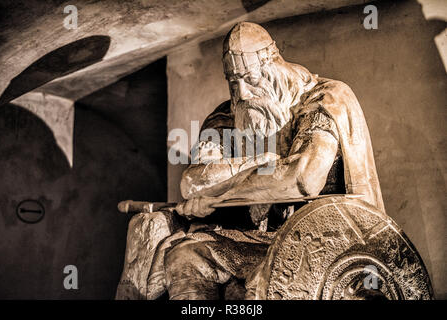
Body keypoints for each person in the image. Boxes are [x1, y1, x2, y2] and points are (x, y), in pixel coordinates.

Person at [116, 22, 385, 300]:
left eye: (250, 78)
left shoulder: (326, 98)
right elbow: (192, 181)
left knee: (266, 278)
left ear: (274, 66)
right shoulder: (229, 114)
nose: (242, 92)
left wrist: (227, 188)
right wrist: (265, 164)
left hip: (328, 241)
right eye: (233, 81)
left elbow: (304, 178)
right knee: (185, 256)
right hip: (261, 238)